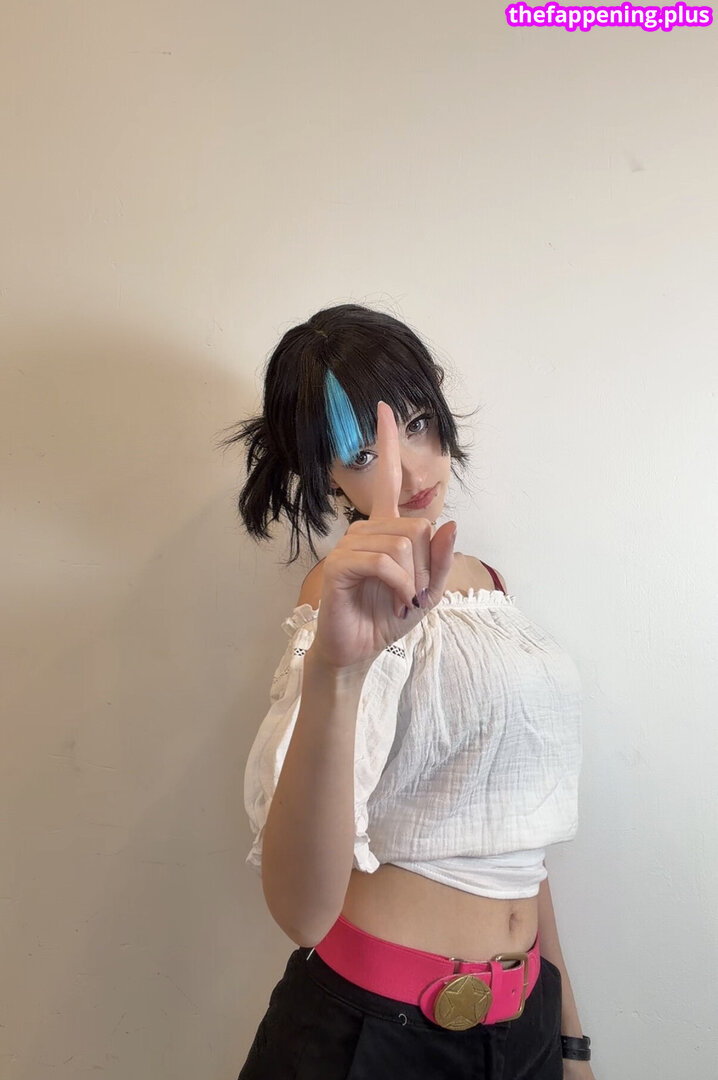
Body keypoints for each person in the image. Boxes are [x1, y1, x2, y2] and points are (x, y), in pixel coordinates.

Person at [222, 303, 594, 1079]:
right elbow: (302, 913)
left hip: (524, 1022)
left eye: (419, 423)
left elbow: (518, 835)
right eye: (363, 452)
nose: (412, 471)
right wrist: (337, 669)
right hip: (378, 1034)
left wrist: (570, 1039)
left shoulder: (490, 585)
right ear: (326, 474)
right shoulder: (340, 596)